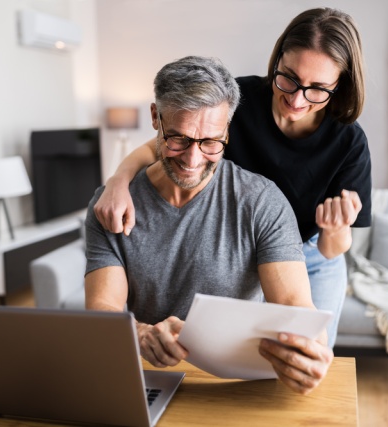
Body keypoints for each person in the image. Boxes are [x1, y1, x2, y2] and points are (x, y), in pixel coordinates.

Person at [92, 7, 372, 348]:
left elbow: (333, 249)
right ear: (277, 60)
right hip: (245, 245)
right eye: (288, 78)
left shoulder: (349, 142)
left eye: (317, 89)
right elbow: (169, 143)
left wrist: (335, 227)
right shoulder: (239, 100)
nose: (297, 99)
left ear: (339, 85)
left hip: (311, 252)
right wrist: (118, 181)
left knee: (310, 351)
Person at [85, 56, 333, 395]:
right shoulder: (112, 205)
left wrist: (313, 349)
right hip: (150, 382)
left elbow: (295, 305)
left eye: (210, 143)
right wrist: (140, 333)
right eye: (179, 139)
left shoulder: (261, 201)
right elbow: (102, 310)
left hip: (236, 389)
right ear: (156, 117)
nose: (193, 160)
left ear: (227, 131)